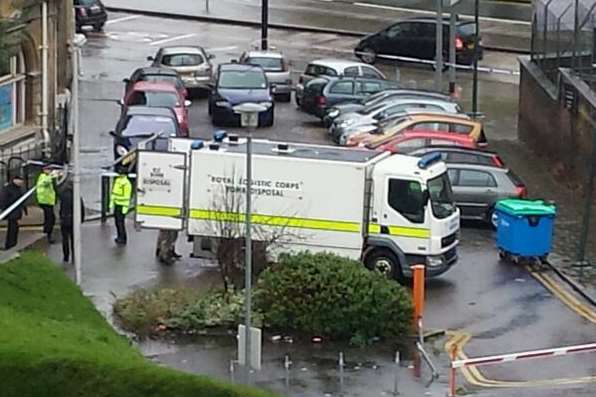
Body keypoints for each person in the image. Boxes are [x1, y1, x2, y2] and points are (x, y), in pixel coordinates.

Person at [59, 182, 85, 263]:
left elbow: (61, 207)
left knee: (65, 239)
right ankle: (74, 256)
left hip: (64, 219)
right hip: (73, 219)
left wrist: (61, 217)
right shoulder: (76, 196)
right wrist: (81, 219)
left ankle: (66, 256)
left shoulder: (63, 195)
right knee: (74, 239)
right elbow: (81, 208)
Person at [0, 175, 26, 250]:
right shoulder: (8, 188)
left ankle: (12, 244)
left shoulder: (18, 188)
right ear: (15, 180)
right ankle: (10, 244)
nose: (22, 182)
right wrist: (3, 208)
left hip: (16, 211)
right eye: (20, 180)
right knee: (13, 228)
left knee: (14, 228)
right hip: (11, 211)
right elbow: (3, 199)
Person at [110, 166, 132, 245]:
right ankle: (119, 236)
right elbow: (114, 193)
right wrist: (111, 203)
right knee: (117, 222)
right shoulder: (118, 181)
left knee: (120, 223)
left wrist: (125, 208)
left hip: (122, 205)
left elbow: (127, 197)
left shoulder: (126, 184)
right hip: (117, 204)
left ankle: (123, 238)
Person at [36, 165, 58, 243]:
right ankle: (48, 234)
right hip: (44, 201)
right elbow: (45, 182)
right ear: (44, 170)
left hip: (49, 201)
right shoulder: (42, 177)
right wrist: (52, 176)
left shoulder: (47, 176)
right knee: (50, 218)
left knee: (49, 218)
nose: (50, 171)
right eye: (49, 169)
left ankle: (47, 231)